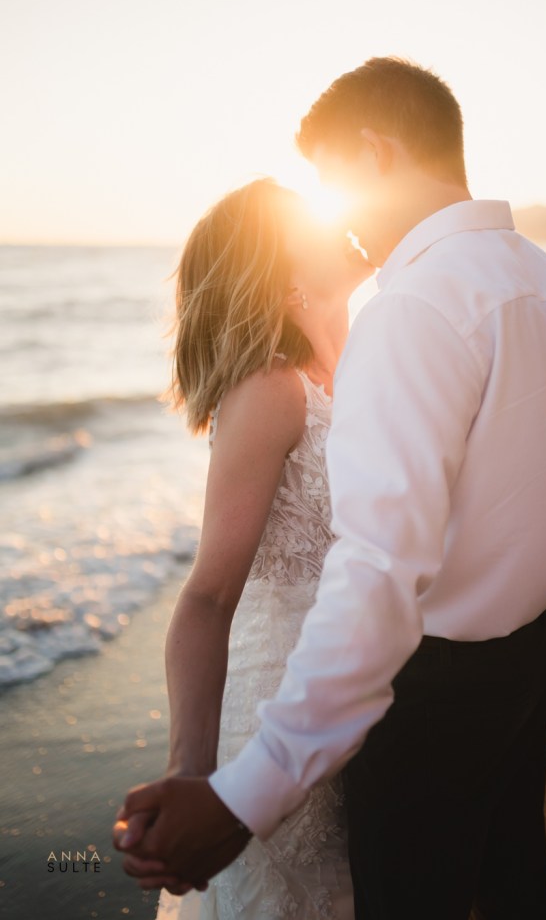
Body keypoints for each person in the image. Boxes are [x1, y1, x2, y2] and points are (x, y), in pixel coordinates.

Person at [115, 58, 546, 919]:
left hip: (430, 689)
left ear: (375, 152)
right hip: (526, 654)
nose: (336, 216)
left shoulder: (412, 310)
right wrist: (200, 767)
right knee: (508, 887)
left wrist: (244, 794)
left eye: (330, 180)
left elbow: (381, 560)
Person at [145, 177, 372, 919]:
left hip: (343, 683)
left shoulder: (337, 372)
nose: (332, 231)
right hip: (281, 691)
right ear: (277, 271)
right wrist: (192, 771)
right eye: (309, 227)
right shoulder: (271, 390)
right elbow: (209, 594)